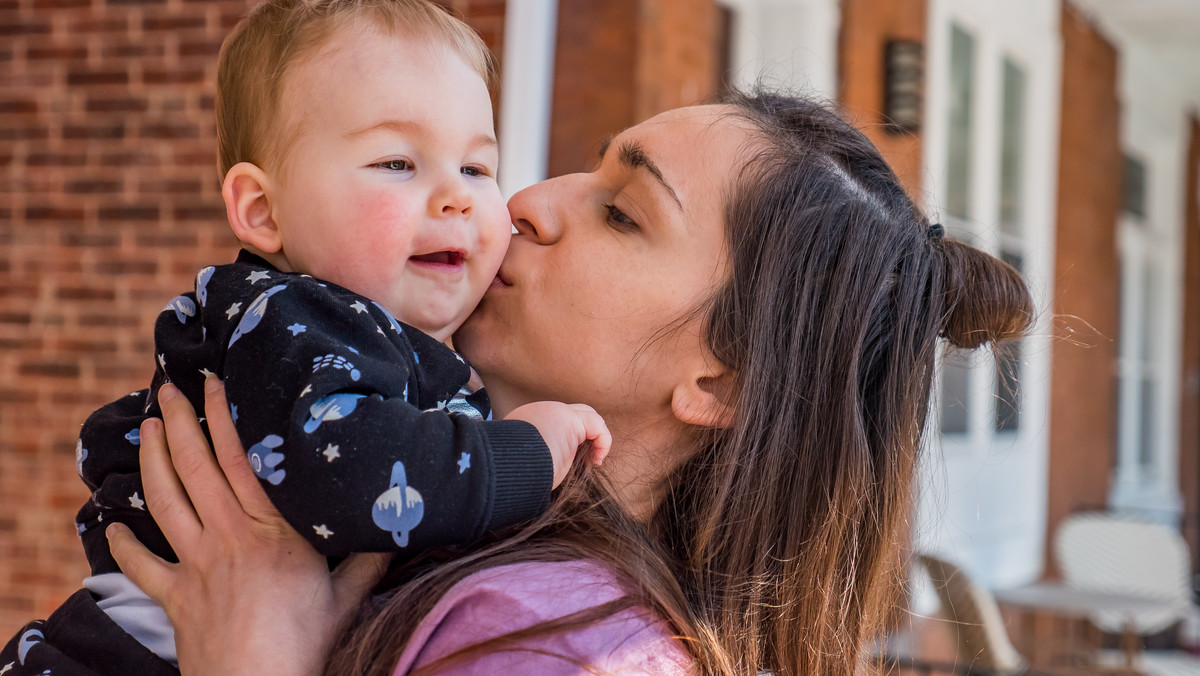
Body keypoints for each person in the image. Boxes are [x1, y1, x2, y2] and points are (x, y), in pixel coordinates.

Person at [7, 91, 1033, 675]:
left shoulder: (576, 653)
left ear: (721, 378)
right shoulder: (423, 517)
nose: (531, 202)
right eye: (585, 169)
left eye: (624, 212)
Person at [0, 0, 608, 671]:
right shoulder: (292, 318)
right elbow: (355, 470)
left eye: (475, 168)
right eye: (397, 163)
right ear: (263, 213)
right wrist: (527, 451)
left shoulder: (361, 336)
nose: (456, 198)